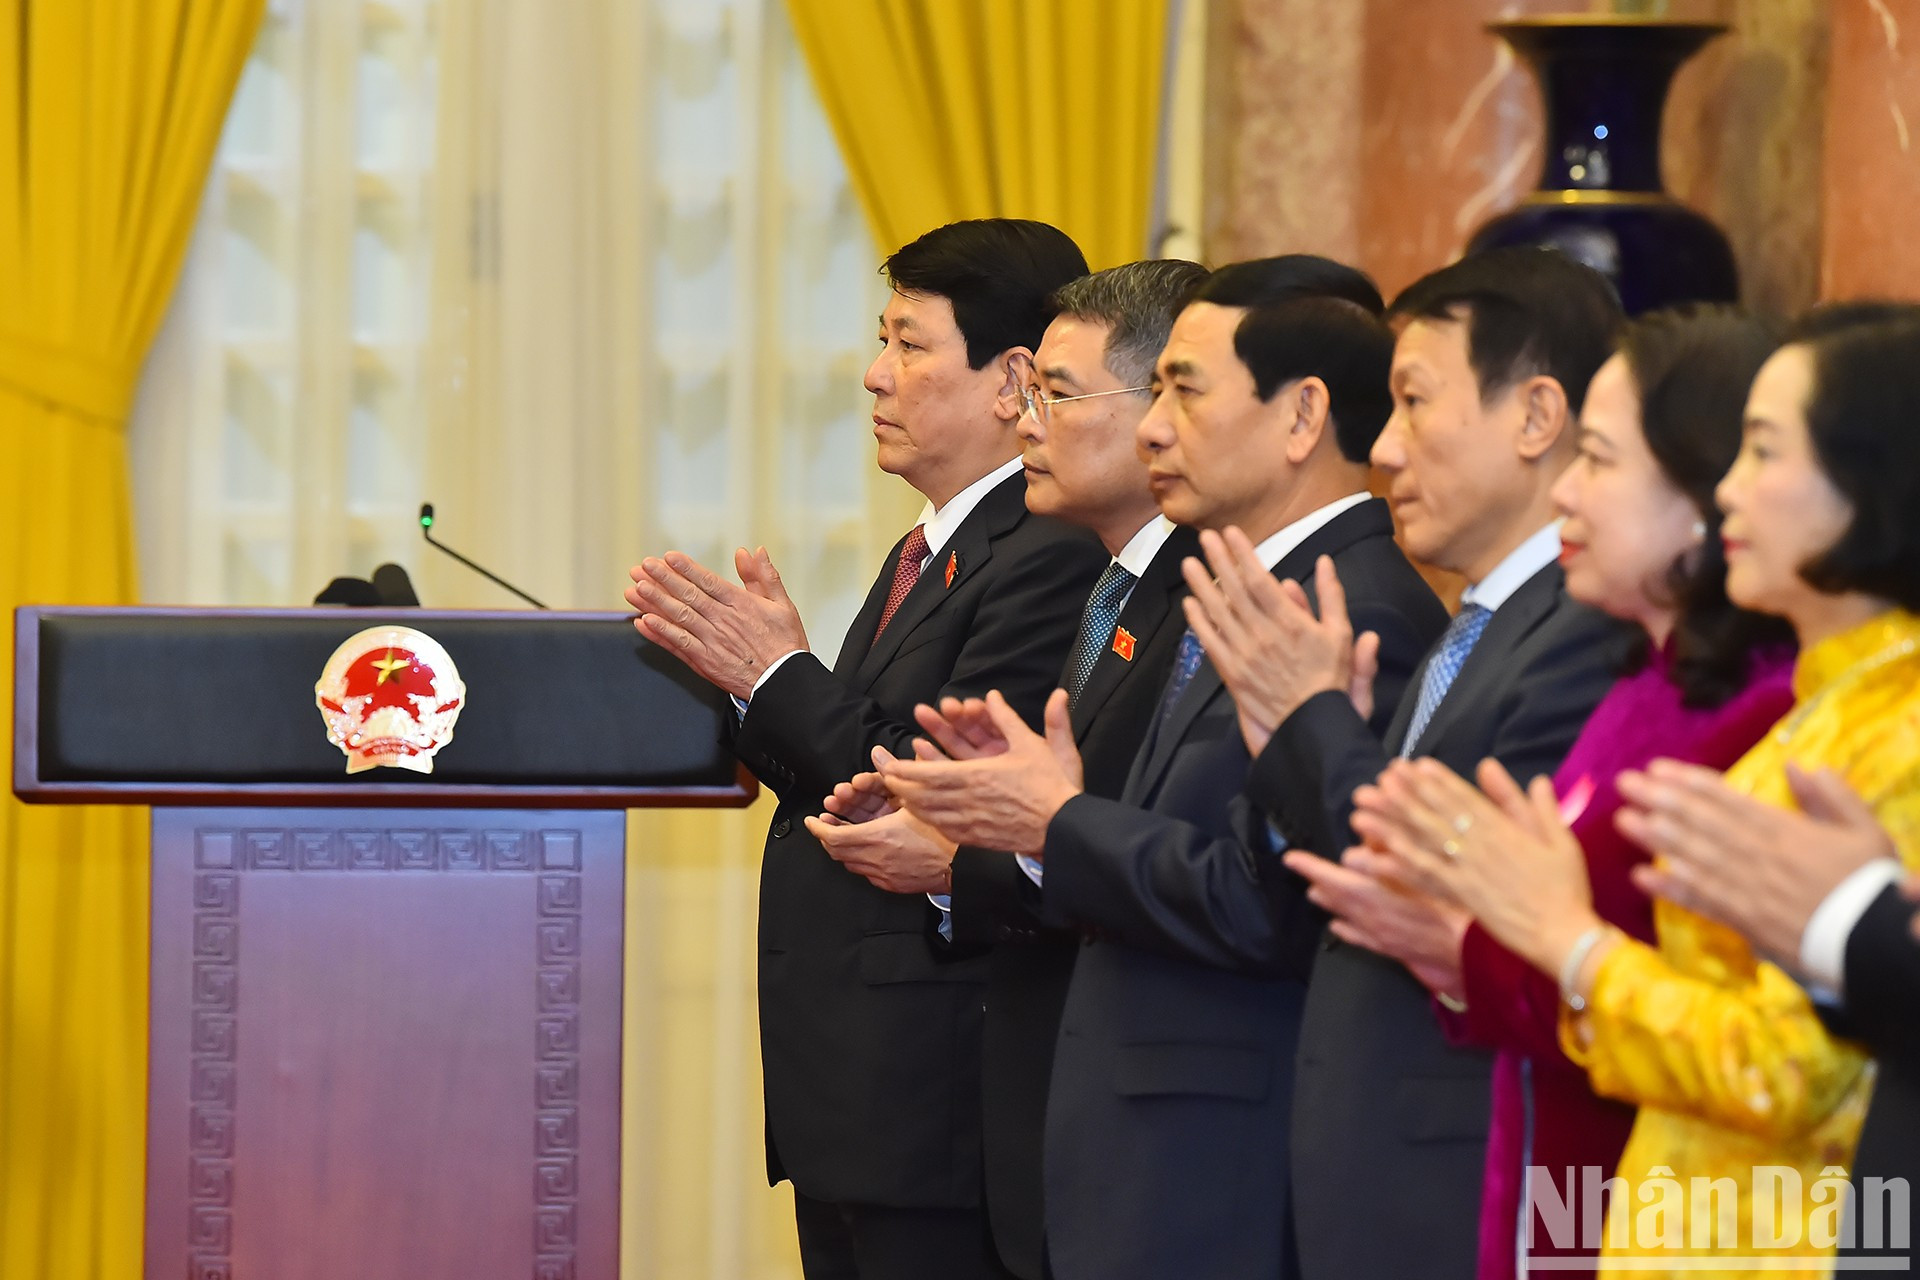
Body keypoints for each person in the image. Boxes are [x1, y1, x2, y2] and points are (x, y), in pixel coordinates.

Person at [877, 255, 1449, 1279]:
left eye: (1184, 391)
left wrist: (1058, 820)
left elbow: (1267, 900)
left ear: (1301, 416)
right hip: (1142, 1159)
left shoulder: (1347, 607)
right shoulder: (1240, 584)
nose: (1151, 427)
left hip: (1223, 1170)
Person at [1355, 312, 1920, 1276]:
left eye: (1765, 451)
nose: (1731, 487)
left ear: (1869, 482)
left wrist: (1564, 943)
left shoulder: (1887, 728)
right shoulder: (1825, 704)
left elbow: (1794, 1068)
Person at [625, 218, 1107, 1280]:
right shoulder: (925, 547)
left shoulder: (1047, 552)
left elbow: (934, 787)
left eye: (907, 343)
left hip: (933, 1105)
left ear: (1009, 380)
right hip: (853, 1098)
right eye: (878, 342)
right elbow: (850, 775)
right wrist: (755, 696)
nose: (872, 375)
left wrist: (776, 678)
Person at [1282, 307, 1795, 1278]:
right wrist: (1468, 953)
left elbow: (1768, 1048)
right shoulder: (1644, 681)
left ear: (1701, 493)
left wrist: (1486, 947)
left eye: (1597, 459)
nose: (1563, 489)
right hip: (1554, 1188)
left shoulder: (1761, 717)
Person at [1182, 246, 1634, 1278]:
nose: (1383, 447)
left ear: (1535, 416)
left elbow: (1429, 862)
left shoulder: (1581, 630)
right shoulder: (1473, 623)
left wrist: (1303, 714)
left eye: (1415, 402)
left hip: (1465, 1178)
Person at [802, 257, 1209, 1280]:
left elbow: (1182, 862)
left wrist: (962, 852)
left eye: (1056, 393)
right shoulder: (1106, 581)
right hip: (1030, 1107)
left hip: (1131, 1119)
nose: (1031, 420)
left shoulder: (1172, 592)